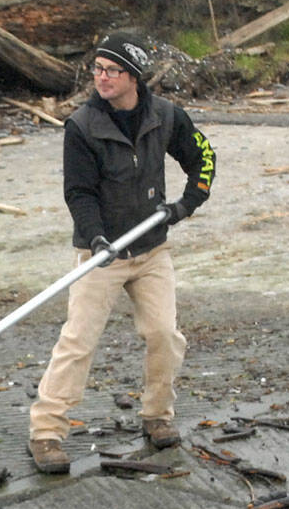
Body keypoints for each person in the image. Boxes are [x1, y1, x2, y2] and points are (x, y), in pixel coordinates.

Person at [28, 32, 216, 474]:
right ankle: (46, 433)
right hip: (102, 253)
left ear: (133, 77)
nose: (102, 78)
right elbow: (78, 192)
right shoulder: (83, 126)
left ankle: (156, 417)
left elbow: (203, 159)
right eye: (97, 69)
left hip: (151, 249)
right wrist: (95, 239)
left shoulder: (166, 116)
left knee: (164, 335)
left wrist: (187, 204)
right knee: (78, 341)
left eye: (112, 70)